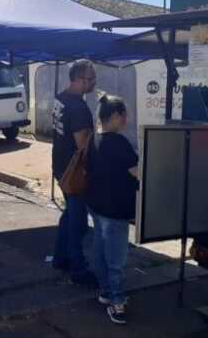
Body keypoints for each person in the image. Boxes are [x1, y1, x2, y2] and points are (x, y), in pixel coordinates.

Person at [86, 95, 139, 325]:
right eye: (124, 115)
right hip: (115, 208)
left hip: (95, 205)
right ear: (116, 116)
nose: (126, 120)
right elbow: (137, 172)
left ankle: (106, 292)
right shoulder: (119, 143)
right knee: (116, 258)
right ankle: (117, 302)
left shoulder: (94, 138)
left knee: (100, 251)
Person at [51, 59, 98, 287]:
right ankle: (78, 268)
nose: (93, 83)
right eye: (90, 79)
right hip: (75, 171)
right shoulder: (79, 108)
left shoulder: (60, 98)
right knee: (78, 222)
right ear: (80, 79)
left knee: (70, 214)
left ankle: (60, 258)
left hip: (60, 166)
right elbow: (83, 146)